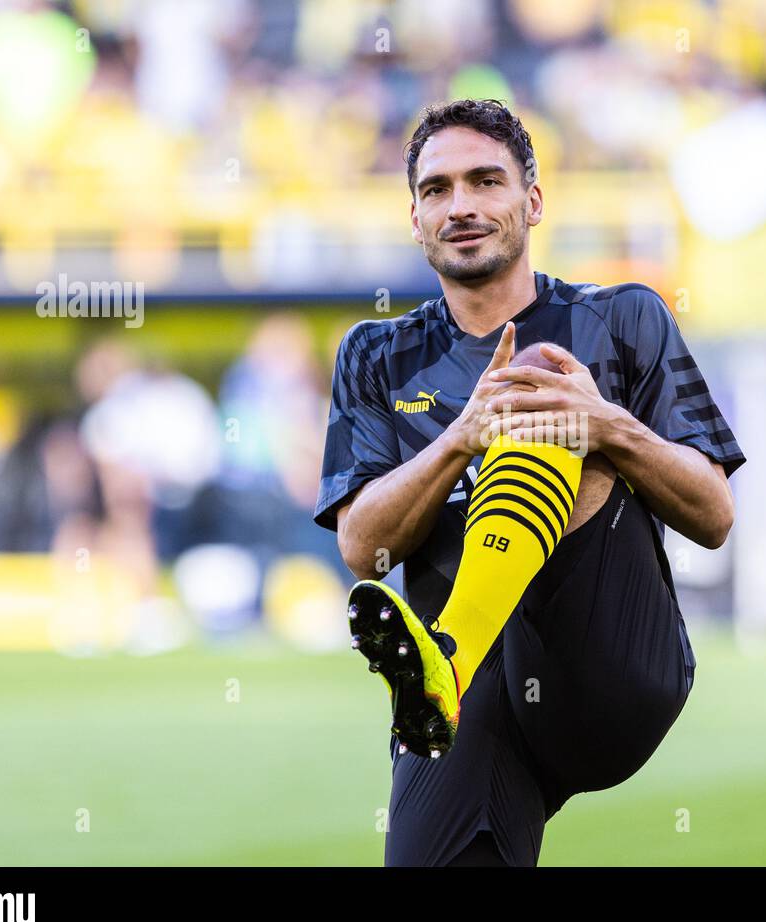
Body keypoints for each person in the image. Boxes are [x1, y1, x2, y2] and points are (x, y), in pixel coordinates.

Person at [313, 99, 744, 866]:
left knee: (539, 401)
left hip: (608, 666)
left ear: (533, 200)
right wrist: (459, 439)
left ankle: (445, 656)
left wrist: (607, 425)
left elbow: (713, 515)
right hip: (468, 702)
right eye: (438, 189)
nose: (463, 206)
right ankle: (445, 667)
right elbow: (364, 549)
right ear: (413, 217)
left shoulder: (622, 319)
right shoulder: (375, 353)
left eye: (486, 181)